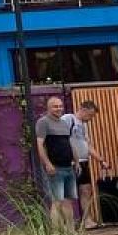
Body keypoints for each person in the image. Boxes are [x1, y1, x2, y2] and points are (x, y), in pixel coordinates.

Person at [33, 96, 78, 228]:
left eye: (60, 106)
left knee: (68, 201)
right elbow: (39, 145)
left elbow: (69, 143)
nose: (59, 109)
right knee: (57, 201)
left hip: (68, 166)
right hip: (55, 167)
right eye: (55, 106)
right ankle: (57, 234)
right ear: (48, 108)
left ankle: (71, 232)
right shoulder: (43, 122)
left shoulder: (64, 123)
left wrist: (76, 160)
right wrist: (47, 163)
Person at [70, 100, 109, 231]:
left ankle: (87, 220)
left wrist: (100, 160)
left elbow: (88, 146)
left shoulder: (84, 126)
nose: (91, 119)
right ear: (83, 109)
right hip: (71, 162)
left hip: (83, 161)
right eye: (90, 115)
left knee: (86, 190)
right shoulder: (68, 119)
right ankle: (67, 224)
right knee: (68, 193)